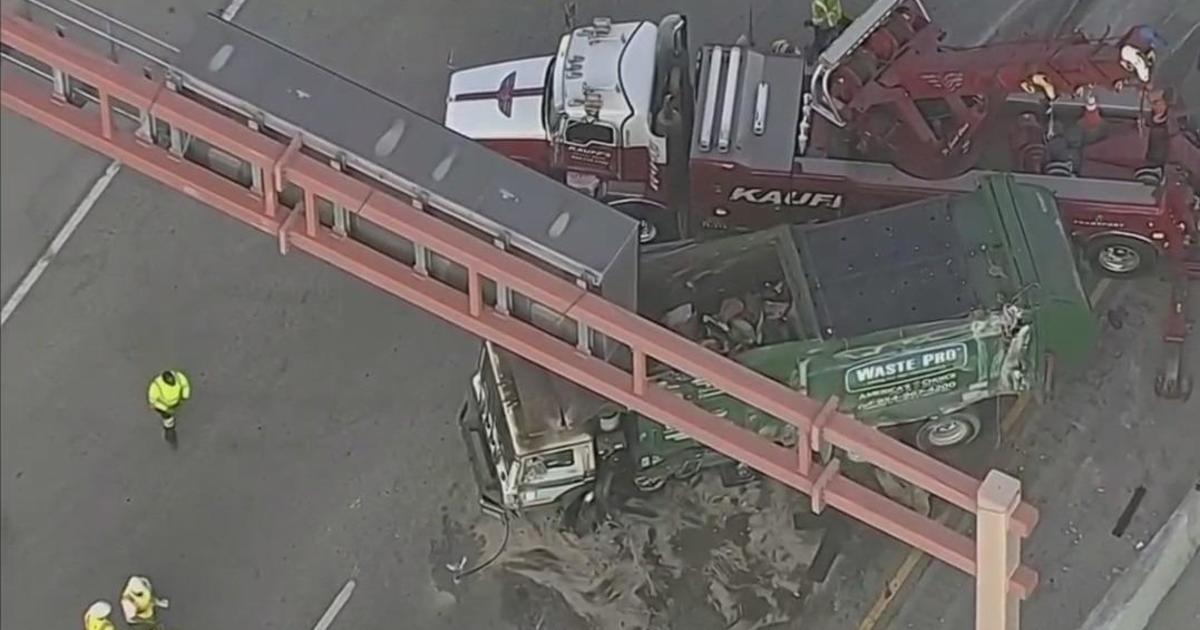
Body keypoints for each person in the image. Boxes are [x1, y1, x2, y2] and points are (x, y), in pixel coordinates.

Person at [148, 369, 190, 448]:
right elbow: (153, 401)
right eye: (169, 382)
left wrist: (184, 397)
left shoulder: (179, 377)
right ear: (164, 381)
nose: (172, 382)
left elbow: (185, 385)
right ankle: (169, 428)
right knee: (168, 418)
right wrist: (166, 409)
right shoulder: (156, 386)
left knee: (174, 412)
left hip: (177, 401)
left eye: (172, 380)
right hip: (164, 406)